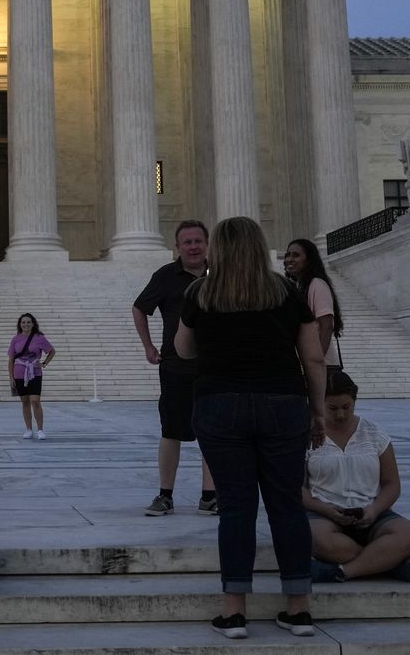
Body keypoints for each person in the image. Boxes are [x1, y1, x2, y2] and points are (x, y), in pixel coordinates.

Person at [174, 215, 325, 638]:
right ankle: (298, 609)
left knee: (236, 507)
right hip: (283, 402)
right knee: (287, 506)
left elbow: (183, 350)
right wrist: (317, 411)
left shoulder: (200, 292)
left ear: (217, 249)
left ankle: (234, 610)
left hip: (220, 403)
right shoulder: (287, 292)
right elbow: (313, 357)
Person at [301, 372, 410, 583]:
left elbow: (391, 484)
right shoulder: (305, 436)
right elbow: (296, 489)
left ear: (354, 401)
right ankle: (387, 563)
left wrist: (374, 511)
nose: (340, 415)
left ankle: (343, 571)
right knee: (313, 538)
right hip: (325, 514)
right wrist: (326, 509)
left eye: (346, 407)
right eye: (332, 408)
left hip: (370, 512)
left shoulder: (374, 434)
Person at [132, 219, 217, 516]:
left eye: (198, 241)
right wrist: (148, 346)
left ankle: (210, 495)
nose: (193, 247)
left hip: (214, 366)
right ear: (177, 247)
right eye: (187, 242)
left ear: (207, 244)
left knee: (212, 430)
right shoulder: (166, 276)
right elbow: (139, 307)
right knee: (171, 431)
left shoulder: (221, 275)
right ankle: (165, 495)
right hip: (176, 366)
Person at [283, 238, 343, 374]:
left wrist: (318, 361)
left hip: (321, 365)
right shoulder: (298, 287)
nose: (289, 259)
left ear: (309, 260)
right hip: (307, 362)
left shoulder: (317, 284)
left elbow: (326, 325)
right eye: (288, 254)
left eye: (296, 255)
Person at [8, 313, 56, 440]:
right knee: (24, 402)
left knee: (35, 400)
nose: (26, 324)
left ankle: (40, 429)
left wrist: (44, 363)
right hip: (18, 372)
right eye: (23, 322)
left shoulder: (39, 337)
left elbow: (51, 351)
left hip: (34, 372)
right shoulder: (16, 339)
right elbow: (11, 359)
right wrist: (11, 377)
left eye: (28, 322)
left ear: (33, 324)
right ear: (20, 325)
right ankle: (28, 429)